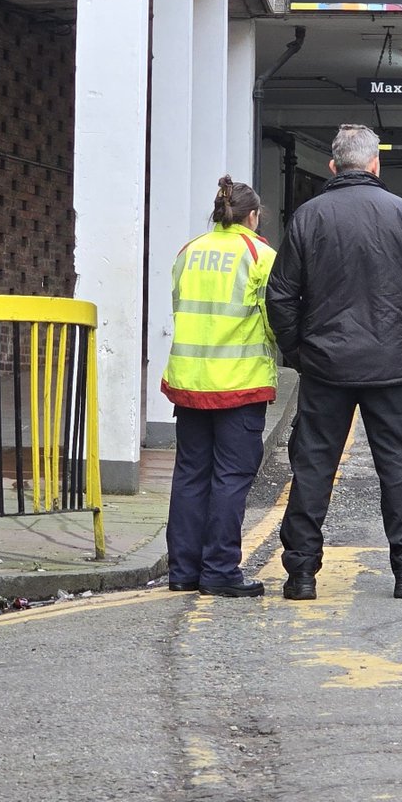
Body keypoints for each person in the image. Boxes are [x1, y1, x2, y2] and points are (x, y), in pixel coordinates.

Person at [266, 124, 402, 601]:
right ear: (375, 164)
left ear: (333, 166)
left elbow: (280, 296)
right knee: (400, 470)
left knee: (313, 468)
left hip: (325, 366)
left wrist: (299, 352)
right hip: (391, 367)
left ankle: (301, 575)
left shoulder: (309, 216)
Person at [161, 176, 279, 598]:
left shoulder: (188, 251)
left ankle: (183, 570)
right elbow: (274, 319)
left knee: (190, 474)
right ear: (253, 216)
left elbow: (180, 307)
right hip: (239, 385)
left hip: (190, 382)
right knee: (231, 477)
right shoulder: (260, 255)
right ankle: (220, 569)